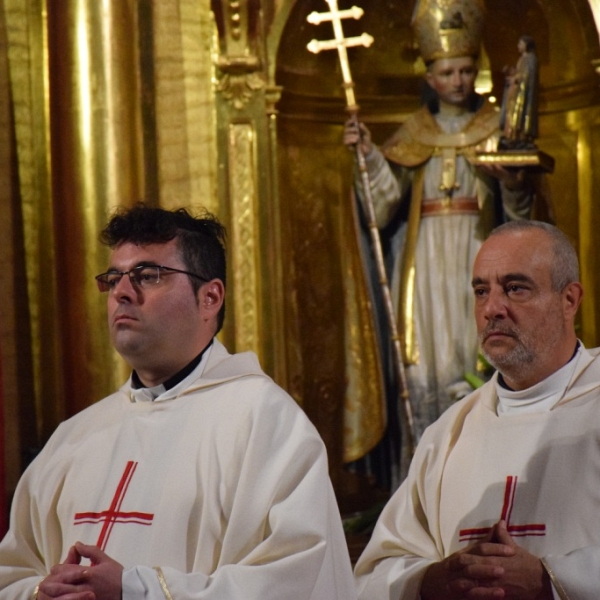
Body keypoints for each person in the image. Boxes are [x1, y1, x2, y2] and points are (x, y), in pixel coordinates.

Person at [0, 205, 357, 600]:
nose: (121, 291)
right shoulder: (73, 438)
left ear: (210, 297)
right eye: (114, 278)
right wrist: (40, 592)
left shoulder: (266, 423)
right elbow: (11, 573)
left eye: (147, 276)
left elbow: (294, 580)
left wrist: (134, 590)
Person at [354, 219, 600, 599]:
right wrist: (432, 581)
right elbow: (374, 573)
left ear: (569, 300)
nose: (492, 308)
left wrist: (551, 579)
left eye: (515, 288)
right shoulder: (449, 434)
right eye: (481, 291)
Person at [344, 0, 535, 444]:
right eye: (447, 73)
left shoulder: (497, 128)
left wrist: (511, 184)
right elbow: (383, 208)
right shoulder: (413, 133)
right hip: (424, 259)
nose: (457, 81)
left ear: (477, 71)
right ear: (430, 78)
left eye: (466, 71)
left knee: (475, 344)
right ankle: (427, 461)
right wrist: (369, 158)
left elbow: (523, 215)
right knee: (427, 360)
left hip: (478, 251)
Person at [499, 35, 539, 149]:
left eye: (520, 44)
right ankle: (512, 136)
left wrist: (515, 78)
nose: (518, 46)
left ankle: (522, 136)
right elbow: (520, 72)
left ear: (526, 45)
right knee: (512, 114)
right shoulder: (522, 59)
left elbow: (527, 76)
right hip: (517, 94)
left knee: (522, 115)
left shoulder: (531, 59)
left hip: (524, 95)